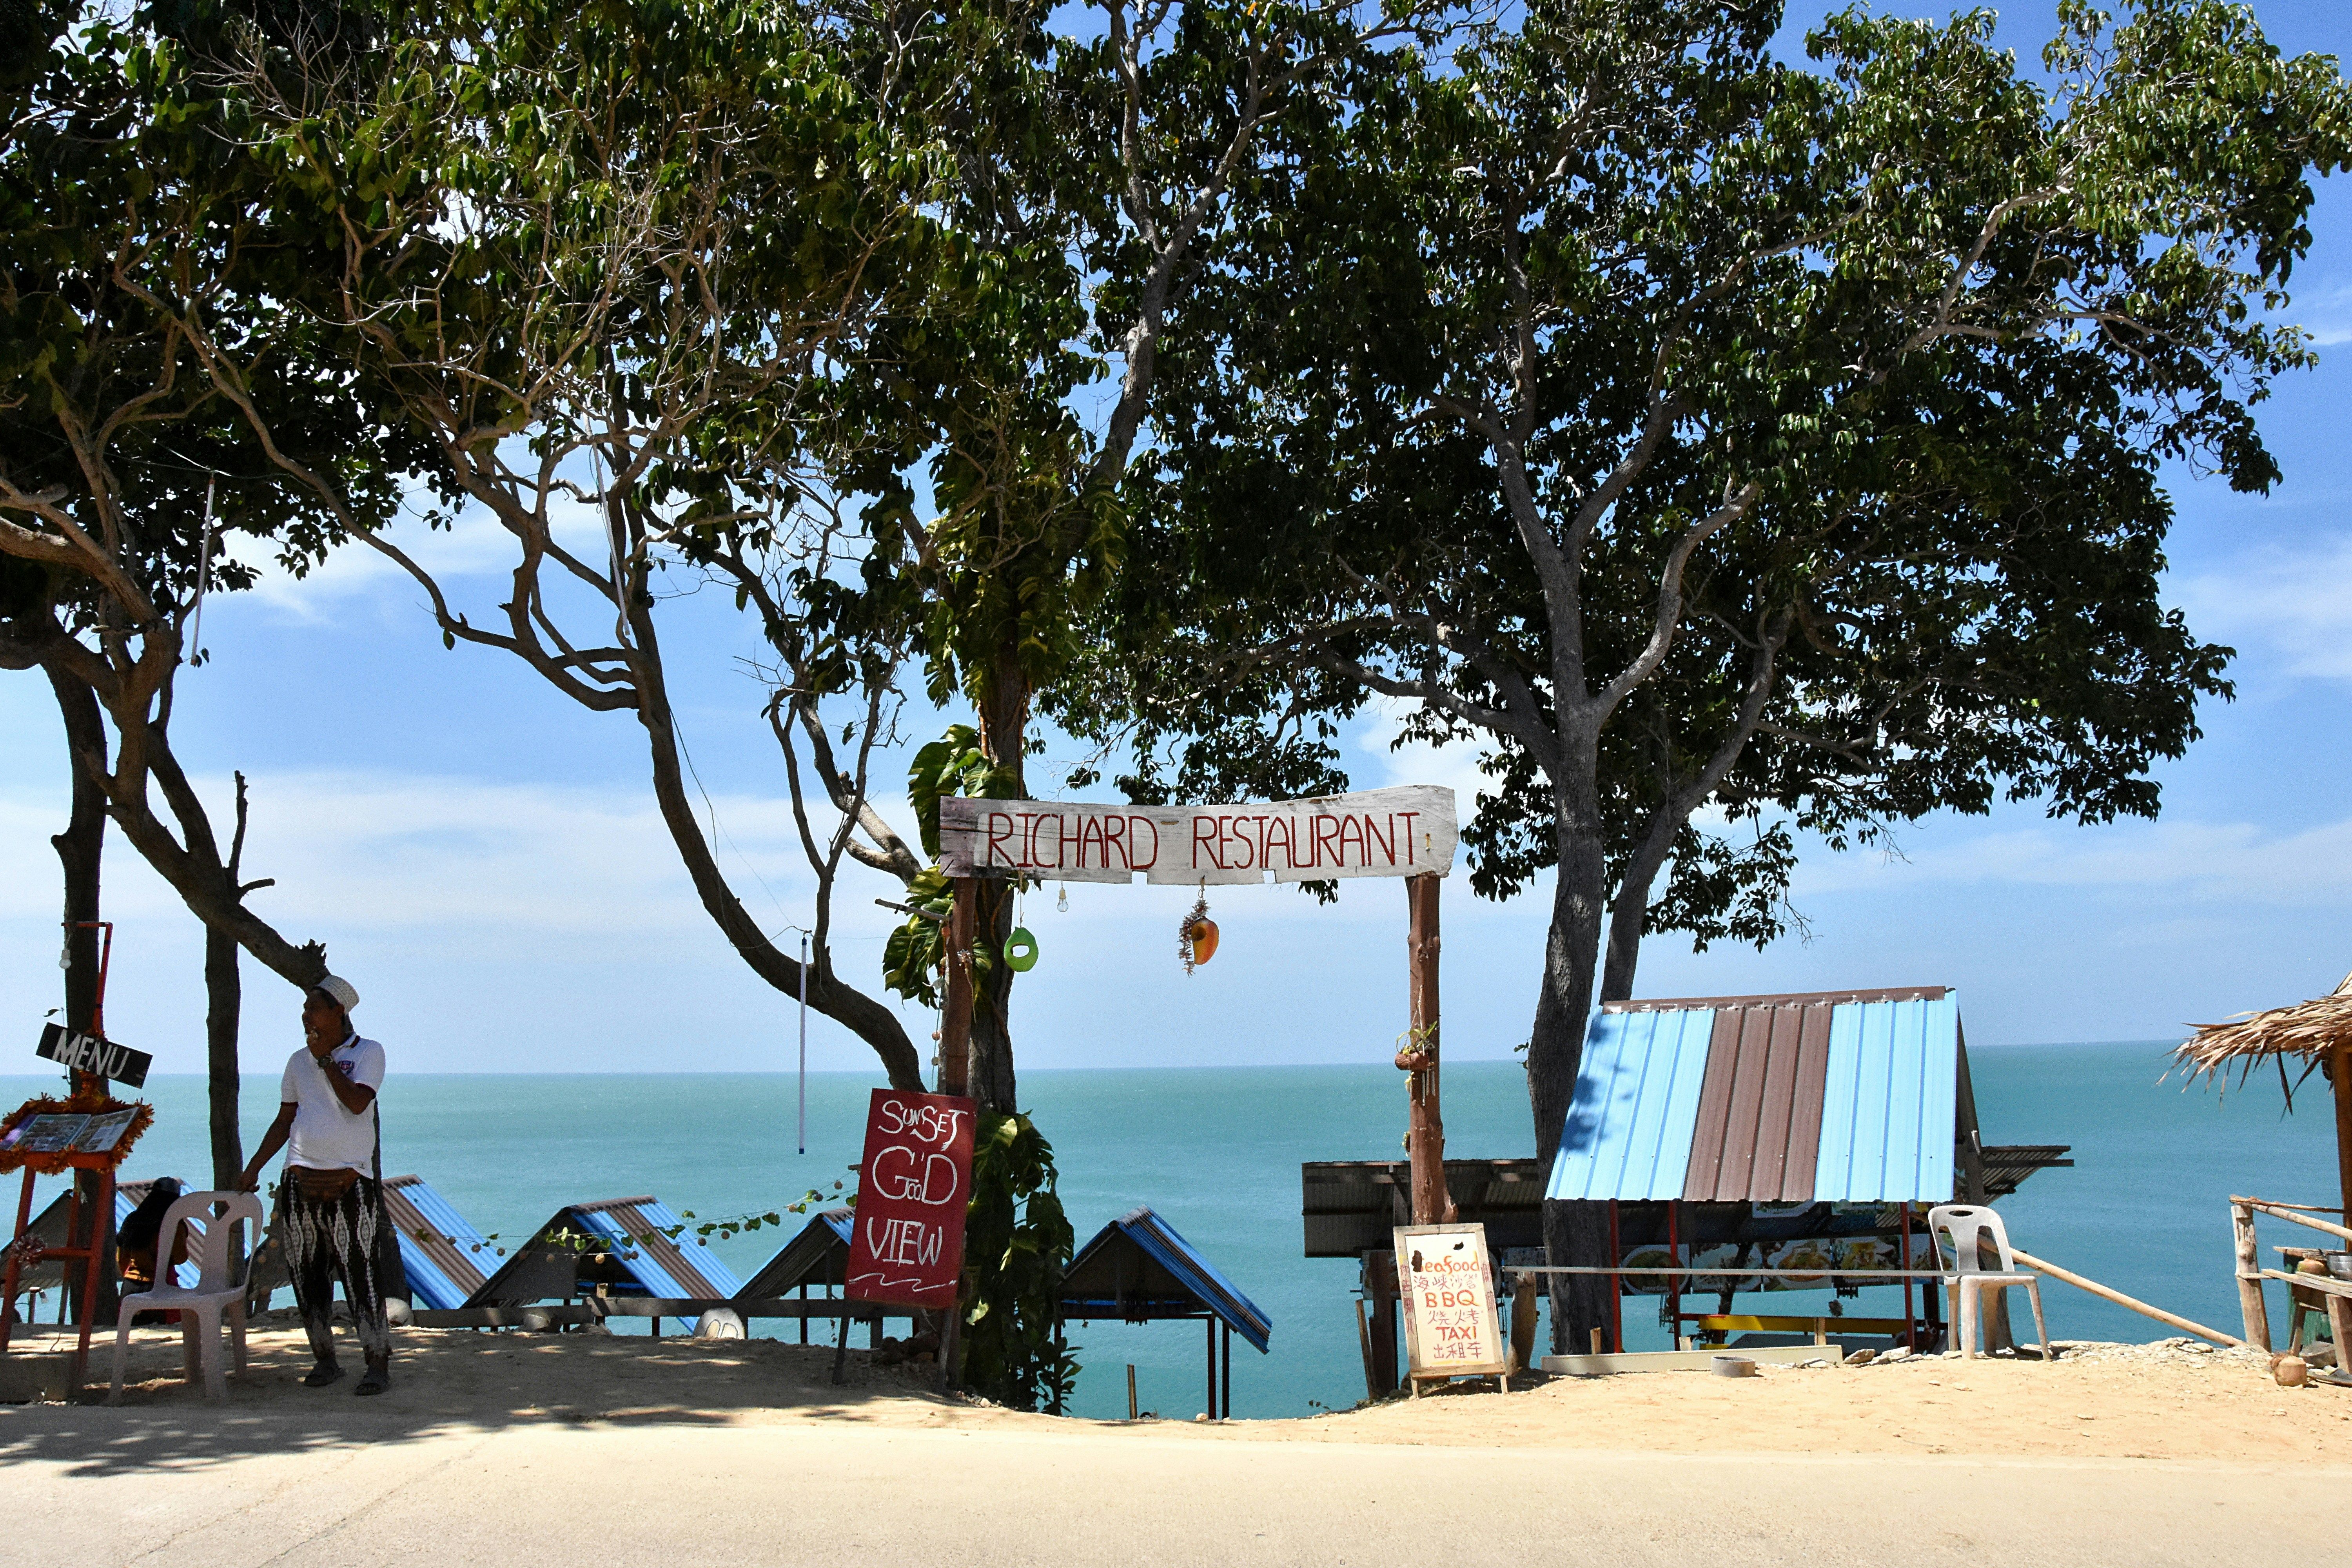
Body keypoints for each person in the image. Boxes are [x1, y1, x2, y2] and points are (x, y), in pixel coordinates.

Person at [239, 975, 393, 1395]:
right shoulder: (297, 1061)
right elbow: (285, 1118)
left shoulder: (369, 1052)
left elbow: (358, 1102)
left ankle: (376, 1361)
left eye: (314, 1008)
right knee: (307, 1273)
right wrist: (254, 1167)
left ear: (339, 1012)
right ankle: (325, 1359)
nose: (306, 1015)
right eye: (305, 1009)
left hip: (351, 1180)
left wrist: (326, 1061)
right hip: (300, 1176)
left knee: (360, 1272)